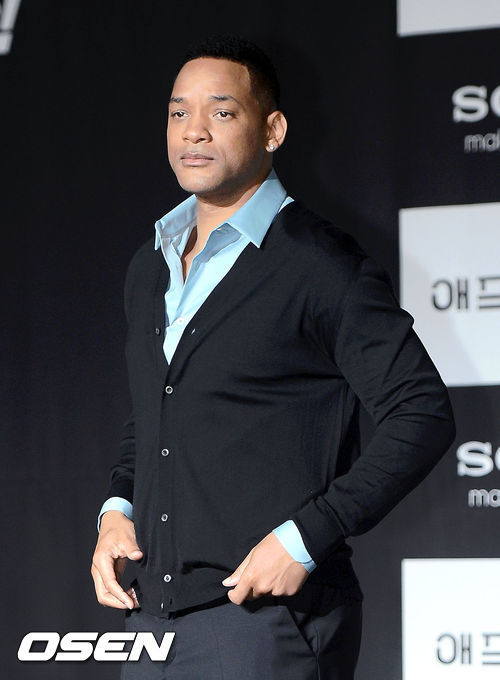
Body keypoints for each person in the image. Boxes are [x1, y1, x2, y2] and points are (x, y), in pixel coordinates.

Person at [91, 34, 455, 680]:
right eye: (178, 112)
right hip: (151, 622)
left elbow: (421, 412)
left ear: (273, 130)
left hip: (267, 623)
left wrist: (307, 537)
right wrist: (118, 510)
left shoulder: (320, 264)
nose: (194, 130)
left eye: (222, 111)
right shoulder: (150, 266)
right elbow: (157, 412)